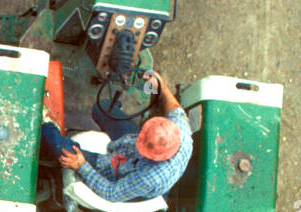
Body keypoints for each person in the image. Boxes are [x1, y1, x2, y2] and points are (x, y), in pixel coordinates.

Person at [41, 70, 191, 204]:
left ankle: (43, 122)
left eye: (143, 146)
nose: (140, 142)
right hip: (128, 145)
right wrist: (161, 85)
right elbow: (176, 110)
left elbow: (111, 192)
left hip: (120, 171)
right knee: (103, 108)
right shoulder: (180, 130)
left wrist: (82, 166)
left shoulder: (148, 177)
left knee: (63, 150)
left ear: (156, 157)